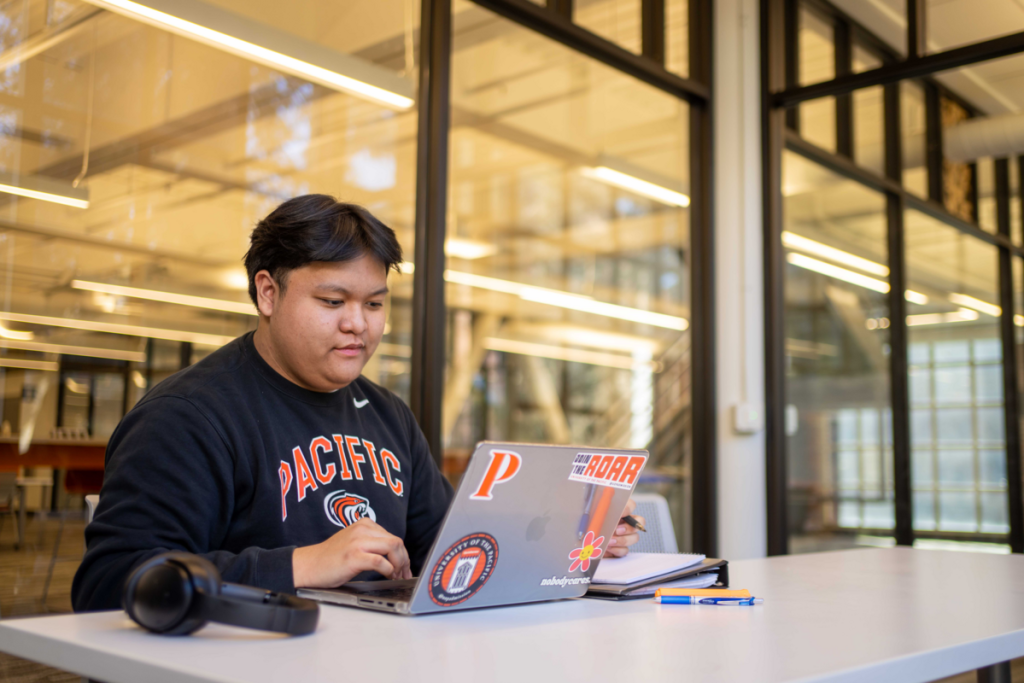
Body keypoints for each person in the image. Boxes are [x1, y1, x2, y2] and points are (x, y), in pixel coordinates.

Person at [72, 195, 642, 611]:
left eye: (374, 304)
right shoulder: (188, 418)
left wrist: (576, 534)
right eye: (331, 300)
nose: (357, 325)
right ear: (267, 292)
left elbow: (449, 548)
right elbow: (109, 582)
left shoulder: (388, 415)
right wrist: (302, 565)